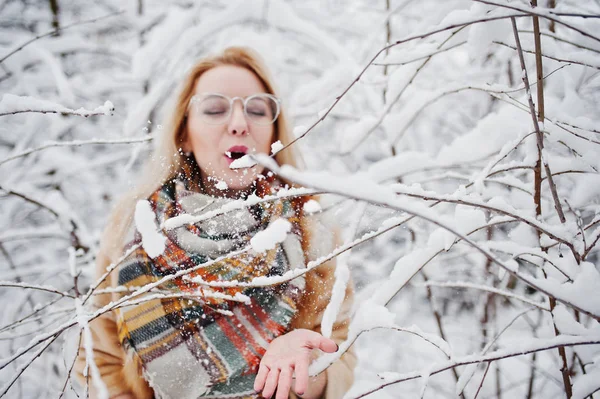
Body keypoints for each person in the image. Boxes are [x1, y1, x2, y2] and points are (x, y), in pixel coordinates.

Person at [74, 47, 355, 399]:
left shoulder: (313, 229)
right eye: (214, 109)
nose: (239, 123)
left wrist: (307, 364)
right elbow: (99, 362)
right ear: (184, 135)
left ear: (273, 133)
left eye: (256, 109)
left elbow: (342, 356)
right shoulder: (135, 229)